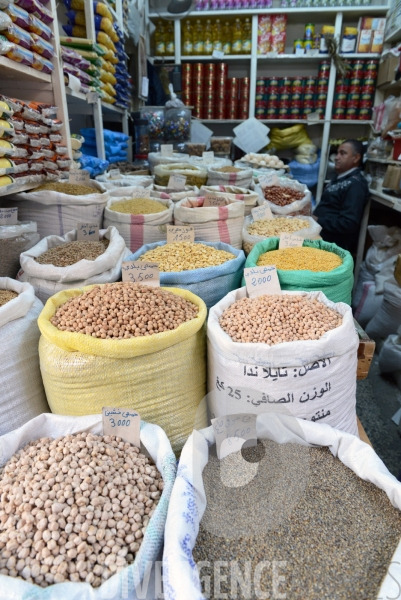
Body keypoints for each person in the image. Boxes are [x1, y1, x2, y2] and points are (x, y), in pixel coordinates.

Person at [313, 139, 369, 254]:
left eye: (343, 153)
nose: (337, 157)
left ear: (356, 158)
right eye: (337, 153)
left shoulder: (355, 184)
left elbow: (349, 223)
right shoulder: (339, 178)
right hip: (320, 239)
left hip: (333, 247)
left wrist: (318, 220)